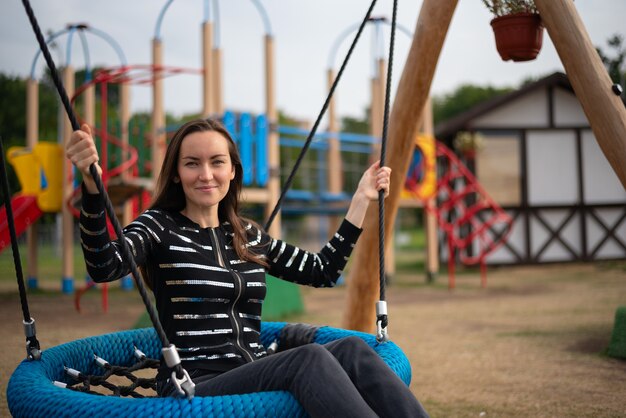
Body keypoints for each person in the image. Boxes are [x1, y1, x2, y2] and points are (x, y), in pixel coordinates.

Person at [66, 118, 429, 418]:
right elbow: (104, 265)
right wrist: (91, 188)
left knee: (350, 348)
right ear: (176, 173)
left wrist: (360, 200)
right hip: (194, 382)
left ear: (232, 170)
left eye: (216, 162)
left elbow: (322, 271)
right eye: (192, 163)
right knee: (308, 360)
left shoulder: (247, 234)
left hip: (251, 369)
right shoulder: (158, 227)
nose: (206, 174)